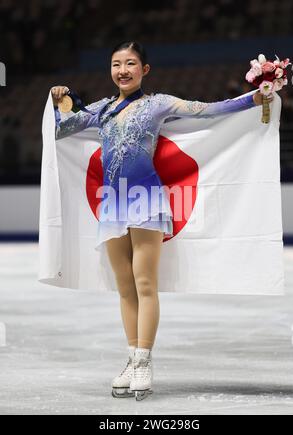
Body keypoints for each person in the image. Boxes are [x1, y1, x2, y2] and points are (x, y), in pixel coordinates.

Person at [51, 40, 273, 401]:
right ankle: (131, 354)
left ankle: (143, 360)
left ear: (144, 70)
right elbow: (61, 130)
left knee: (144, 283)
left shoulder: (158, 104)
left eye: (130, 63)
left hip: (144, 199)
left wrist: (253, 98)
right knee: (124, 287)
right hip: (112, 203)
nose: (122, 70)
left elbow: (206, 110)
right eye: (116, 64)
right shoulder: (102, 109)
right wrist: (59, 101)